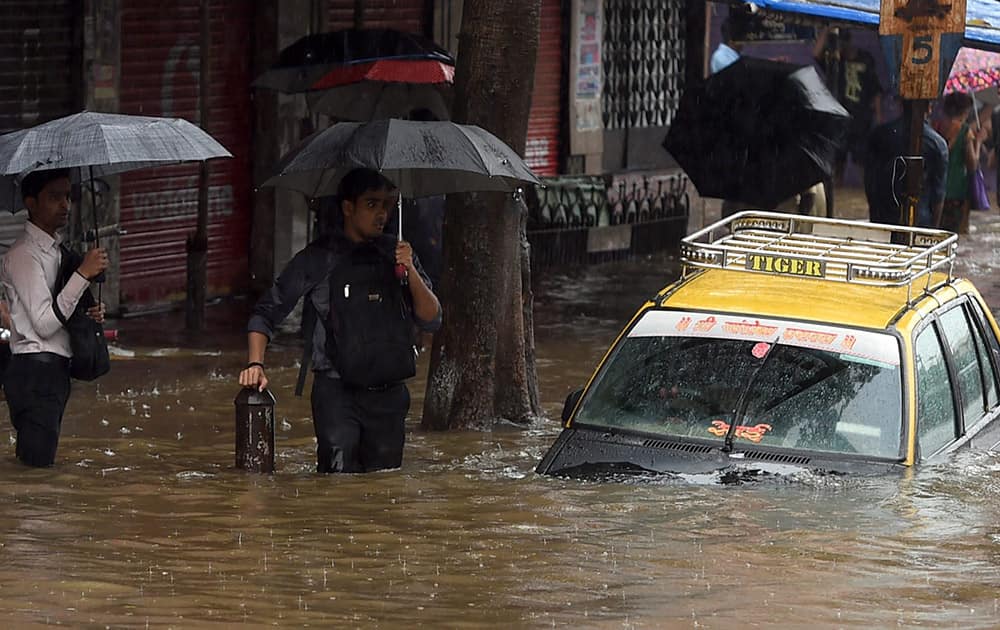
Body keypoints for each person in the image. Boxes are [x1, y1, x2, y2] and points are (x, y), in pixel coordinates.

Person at [239, 168, 441, 474]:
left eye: (387, 205)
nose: (381, 214)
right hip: (337, 394)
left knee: (385, 485)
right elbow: (266, 313)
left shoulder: (396, 254)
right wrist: (256, 365)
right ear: (348, 208)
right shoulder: (319, 259)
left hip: (389, 395)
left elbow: (432, 318)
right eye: (371, 204)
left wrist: (409, 269)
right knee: (337, 482)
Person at [1, 169, 108, 467]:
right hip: (35, 373)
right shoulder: (24, 254)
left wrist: (89, 313)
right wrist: (82, 274)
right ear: (31, 203)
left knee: (37, 466)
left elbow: (61, 309)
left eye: (67, 196)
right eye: (54, 197)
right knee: (37, 469)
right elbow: (45, 323)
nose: (65, 205)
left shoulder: (57, 252)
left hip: (54, 374)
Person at [814, 27, 883, 185]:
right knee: (838, 161)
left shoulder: (865, 59)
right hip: (840, 118)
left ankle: (866, 192)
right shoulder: (835, 62)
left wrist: (879, 117)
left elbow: (875, 90)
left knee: (861, 161)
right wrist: (826, 29)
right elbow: (816, 53)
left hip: (861, 117)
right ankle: (837, 194)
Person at [864, 114, 948, 228]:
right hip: (922, 220)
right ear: (929, 108)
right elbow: (938, 194)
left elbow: (870, 182)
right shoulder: (938, 143)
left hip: (885, 218)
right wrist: (933, 232)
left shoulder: (880, 134)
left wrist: (874, 217)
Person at [932, 91, 985, 233]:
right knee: (958, 235)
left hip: (936, 190)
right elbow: (972, 165)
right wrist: (978, 142)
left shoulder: (936, 127)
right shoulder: (965, 131)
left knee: (937, 234)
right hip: (958, 193)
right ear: (965, 111)